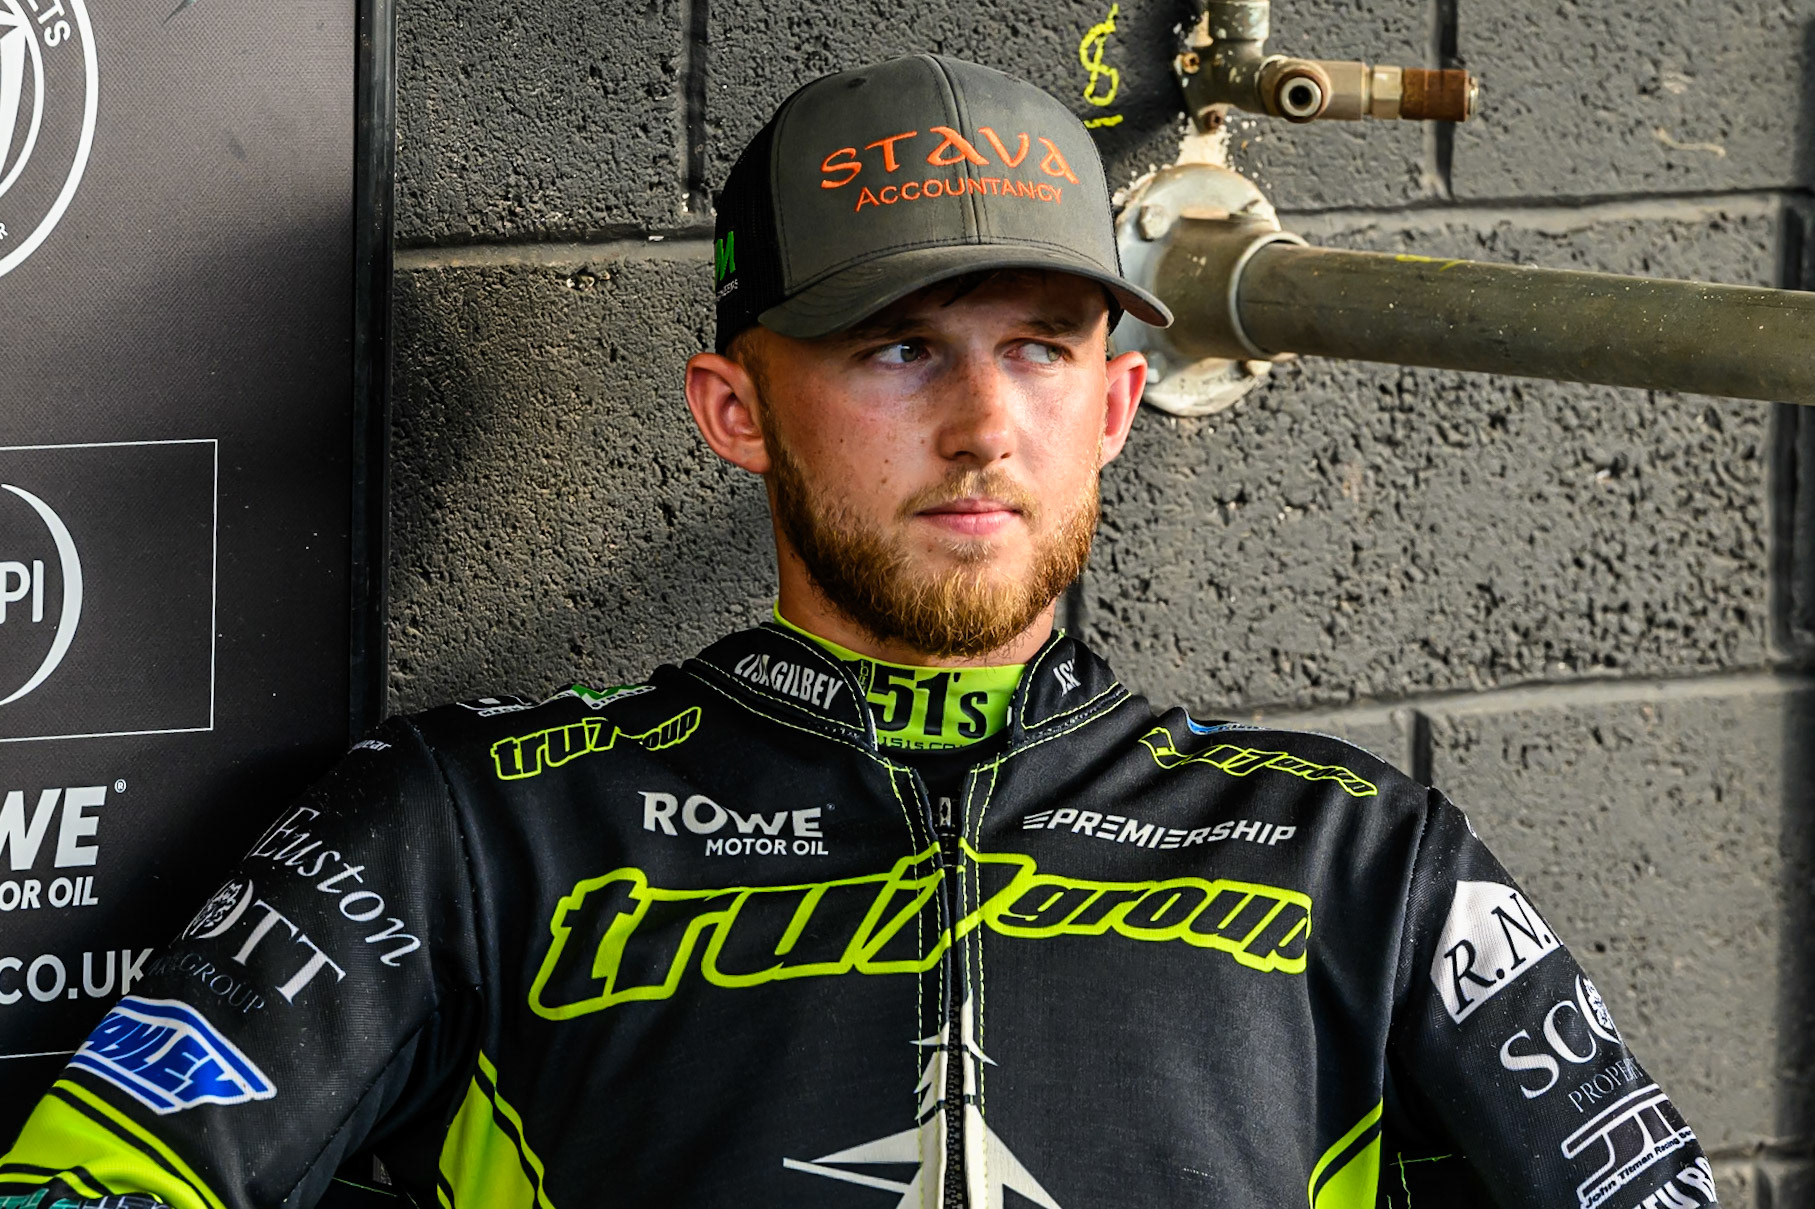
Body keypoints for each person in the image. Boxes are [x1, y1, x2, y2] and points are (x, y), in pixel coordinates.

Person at [0, 53, 1719, 1209]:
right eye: (900, 347)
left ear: (1119, 404)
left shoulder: (1352, 852)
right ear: (735, 410)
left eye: (1038, 346)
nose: (984, 424)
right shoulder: (477, 822)